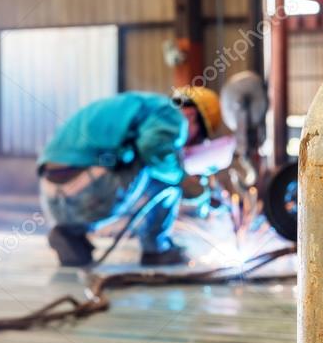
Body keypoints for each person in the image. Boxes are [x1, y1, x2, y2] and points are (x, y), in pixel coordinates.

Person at [38, 87, 223, 267]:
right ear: (191, 115)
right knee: (165, 174)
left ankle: (70, 233)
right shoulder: (170, 113)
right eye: (198, 137)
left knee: (141, 160)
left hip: (52, 195)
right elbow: (154, 149)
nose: (189, 144)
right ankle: (157, 250)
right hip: (86, 190)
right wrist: (185, 181)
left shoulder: (141, 105)